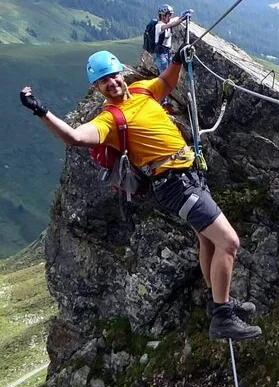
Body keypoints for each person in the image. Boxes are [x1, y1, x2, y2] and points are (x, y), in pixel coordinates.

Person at [19, 49, 261, 341]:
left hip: (190, 175)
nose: (111, 83)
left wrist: (177, 61)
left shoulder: (141, 91)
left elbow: (167, 83)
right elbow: (74, 137)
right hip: (174, 184)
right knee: (230, 242)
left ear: (121, 74)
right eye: (103, 81)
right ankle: (223, 317)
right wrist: (40, 111)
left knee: (207, 238)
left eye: (113, 76)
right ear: (97, 88)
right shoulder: (109, 120)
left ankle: (216, 301)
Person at [145, 4, 191, 74]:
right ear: (163, 16)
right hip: (160, 54)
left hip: (167, 52)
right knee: (164, 74)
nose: (170, 17)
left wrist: (182, 16)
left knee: (167, 72)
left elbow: (175, 19)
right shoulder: (158, 26)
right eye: (169, 15)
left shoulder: (167, 22)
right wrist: (182, 19)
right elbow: (170, 25)